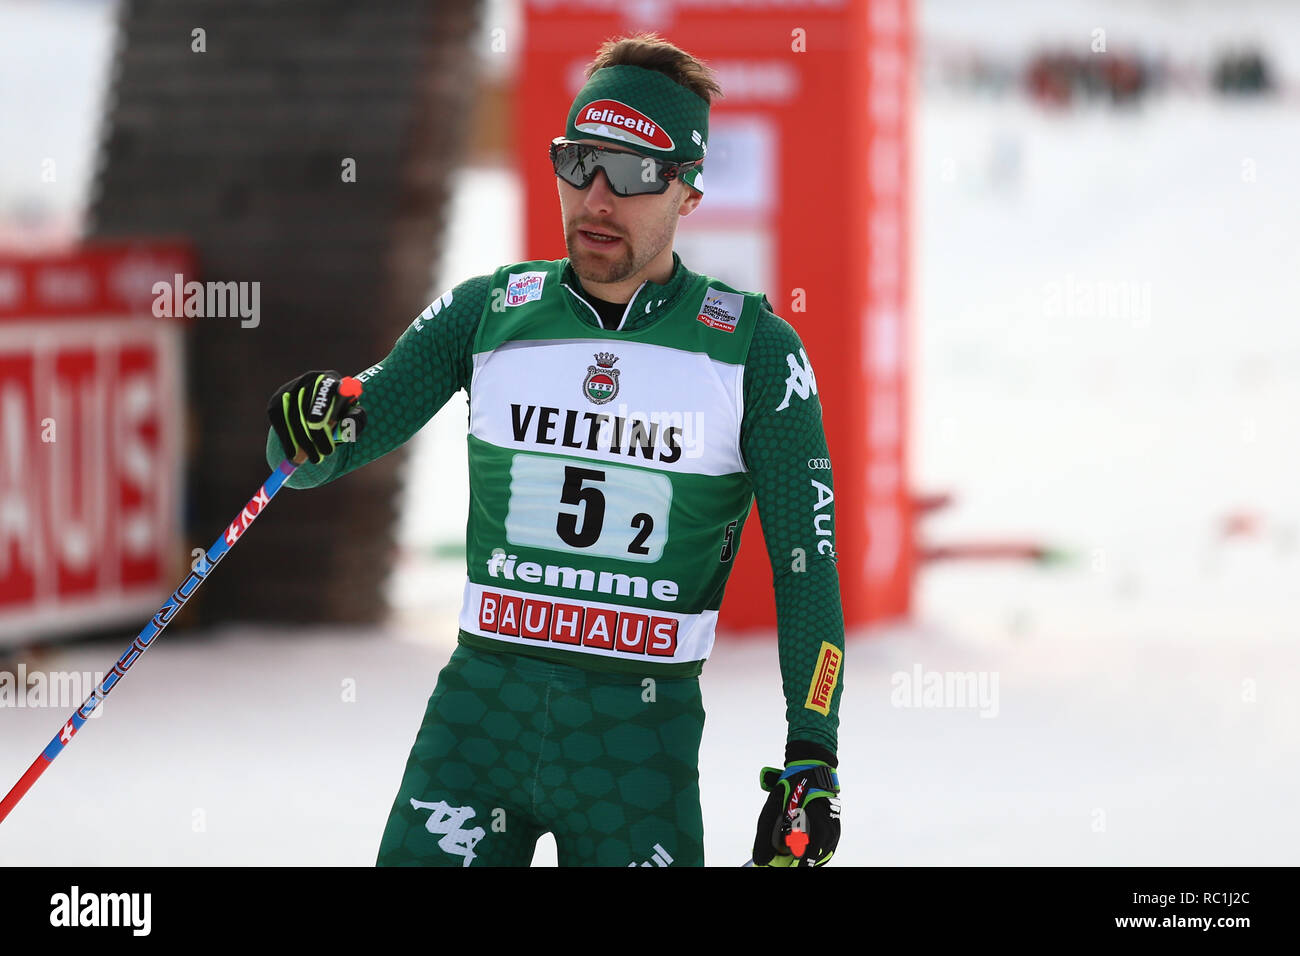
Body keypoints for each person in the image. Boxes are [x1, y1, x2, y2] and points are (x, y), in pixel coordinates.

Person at [264, 32, 843, 867]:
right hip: (476, 730)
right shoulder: (489, 313)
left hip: (634, 752)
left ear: (688, 190)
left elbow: (806, 566)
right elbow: (337, 438)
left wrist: (812, 755)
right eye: (579, 163)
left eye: (637, 172)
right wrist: (305, 420)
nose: (598, 198)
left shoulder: (754, 353)